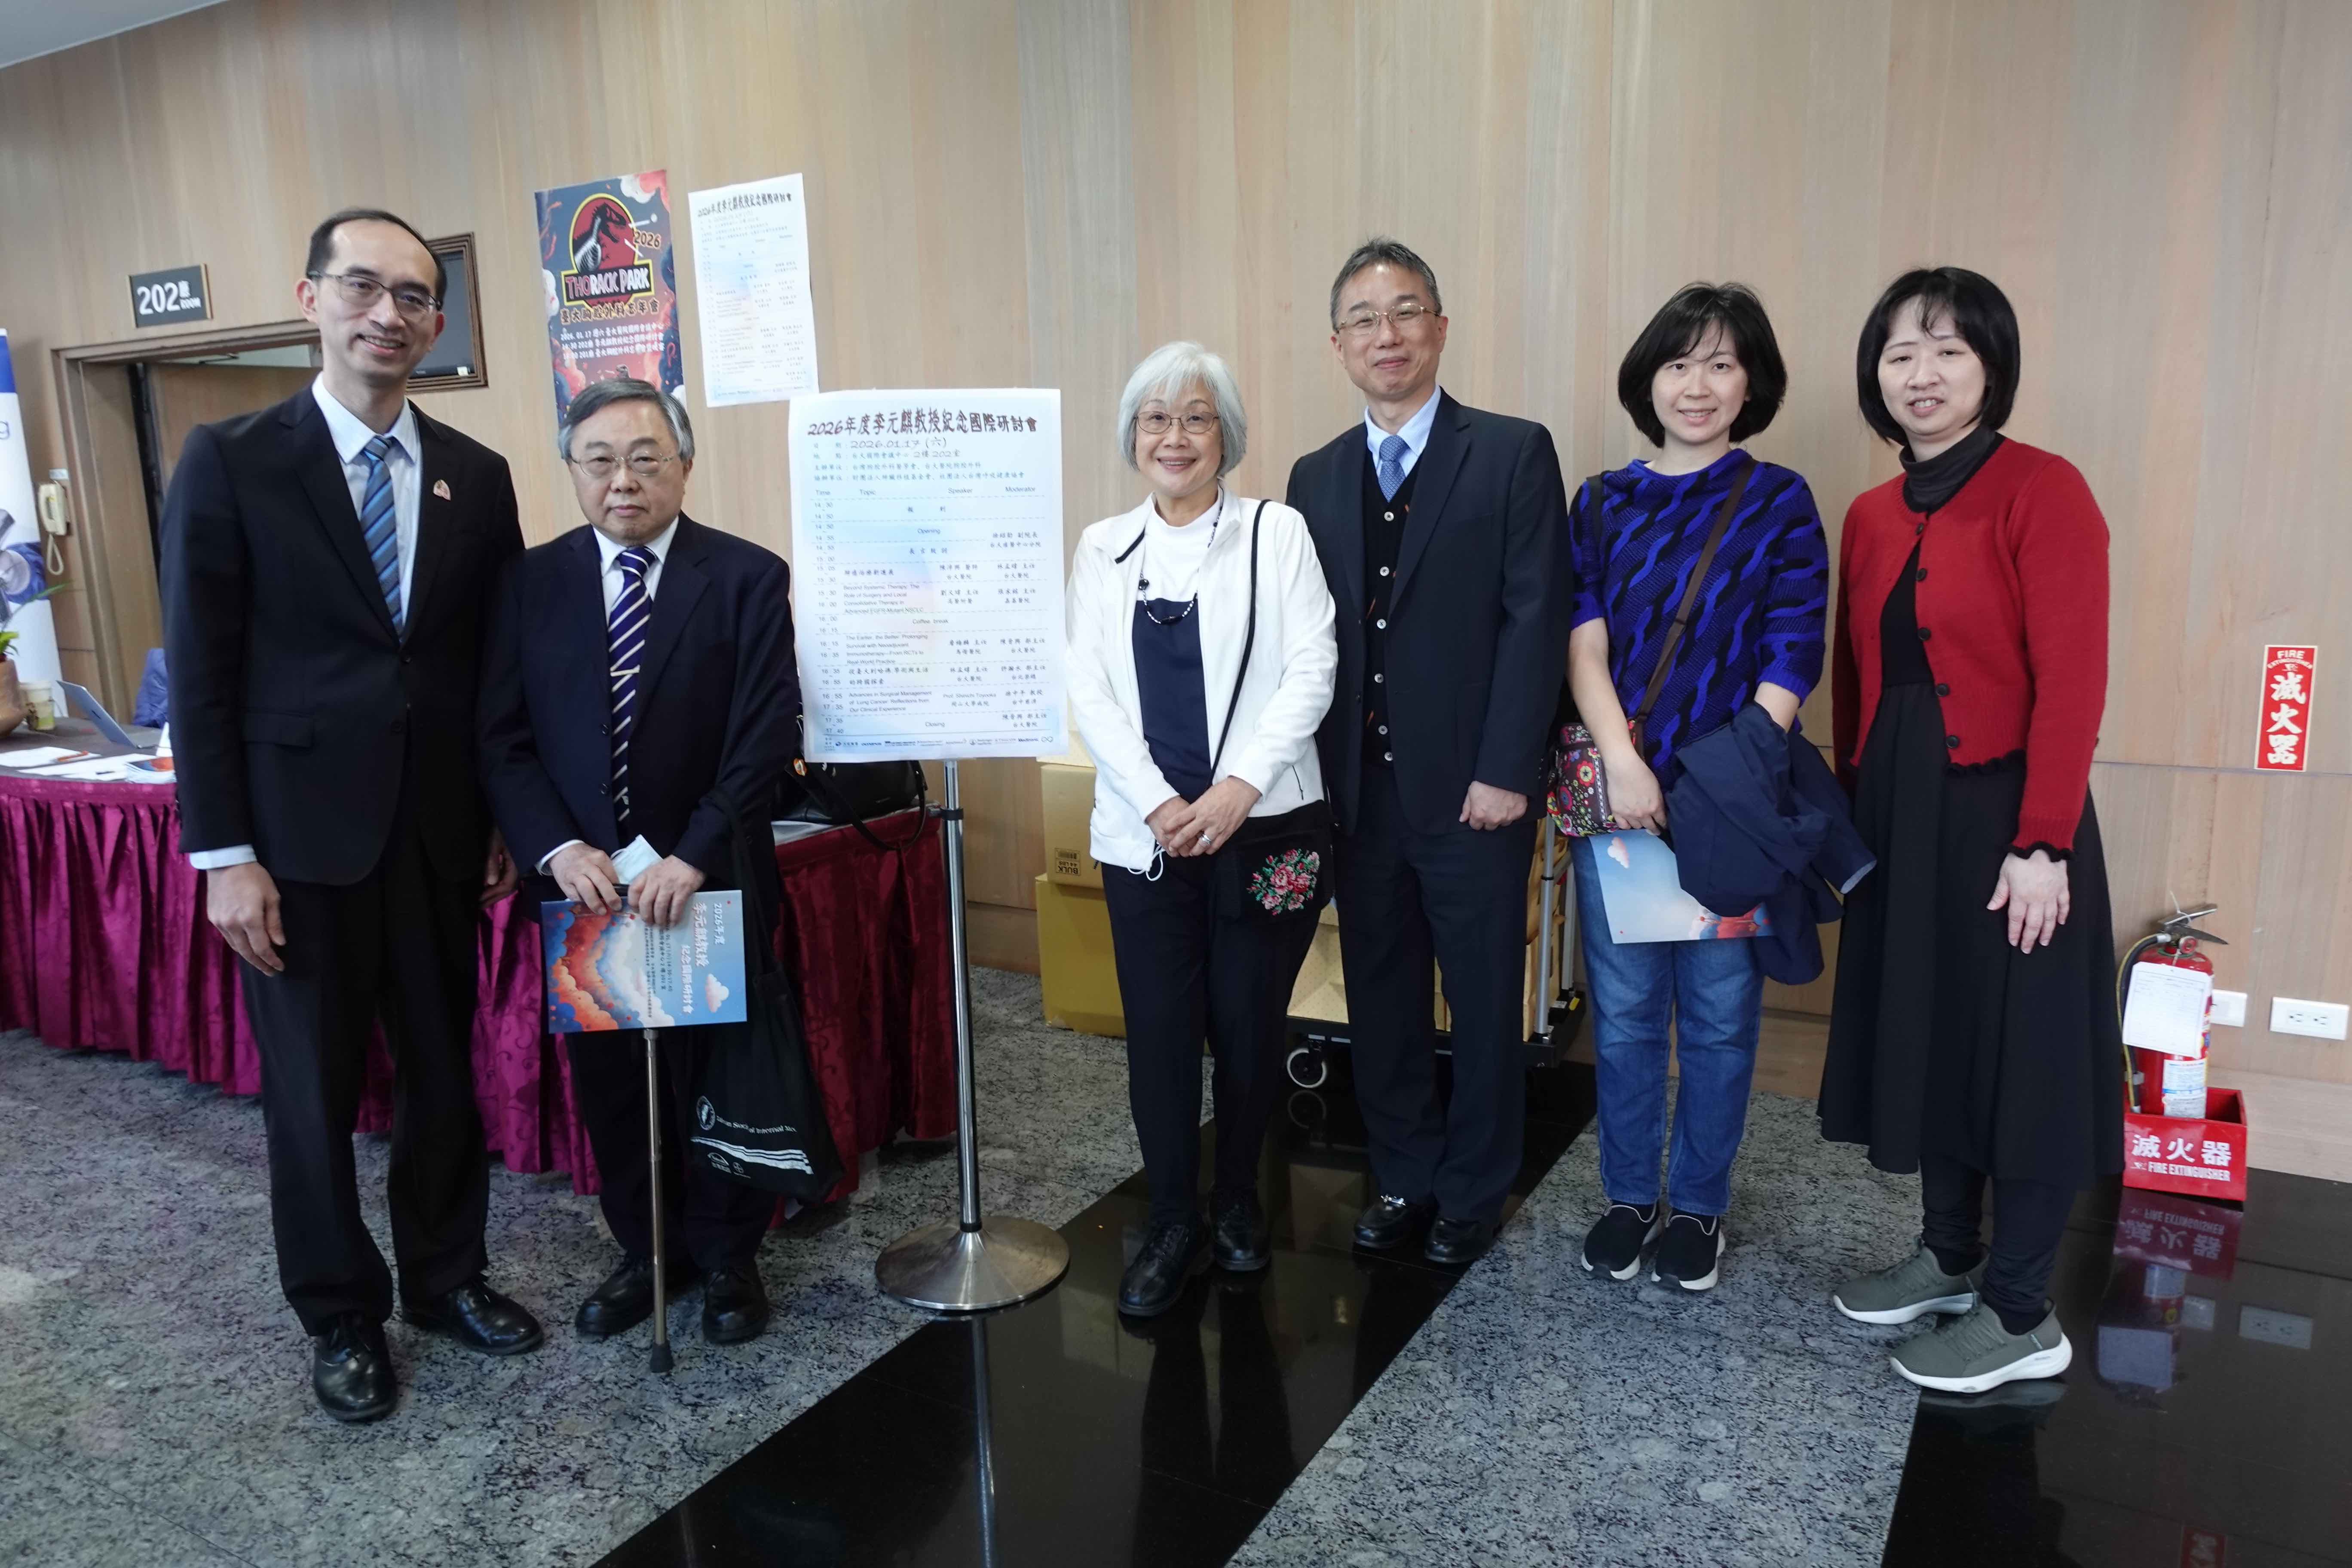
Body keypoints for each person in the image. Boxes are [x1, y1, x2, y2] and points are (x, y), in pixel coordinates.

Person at [159, 208, 539, 1423]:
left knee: (444, 1077)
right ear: (311, 298)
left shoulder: (476, 474)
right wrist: (223, 854)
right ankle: (338, 1314)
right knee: (312, 1095)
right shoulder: (232, 459)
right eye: (363, 287)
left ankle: (447, 1277)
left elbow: (493, 668)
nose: (388, 314)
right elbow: (202, 671)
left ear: (437, 321)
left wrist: (501, 815)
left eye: (414, 296)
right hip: (293, 847)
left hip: (438, 839)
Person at [1822, 267, 2123, 1393]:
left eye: (1949, 349)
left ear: (1992, 368)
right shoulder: (1870, 514)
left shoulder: (2044, 490)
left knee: (2026, 1058)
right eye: (1901, 353)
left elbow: (2073, 680)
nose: (1923, 373)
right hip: (1904, 818)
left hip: (2010, 819)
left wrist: (2044, 842)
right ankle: (1950, 1254)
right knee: (1933, 1033)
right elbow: (1859, 680)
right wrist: (1855, 824)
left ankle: (2022, 1311)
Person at [478, 377, 800, 1347]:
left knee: (717, 1071)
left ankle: (730, 1252)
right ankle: (647, 1250)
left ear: (684, 465)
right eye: (601, 460)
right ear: (574, 473)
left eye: (646, 457)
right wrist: (557, 845)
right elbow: (502, 739)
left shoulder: (745, 576)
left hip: (709, 876)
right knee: (614, 1083)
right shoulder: (530, 584)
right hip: (587, 888)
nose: (623, 479)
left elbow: (764, 734)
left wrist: (695, 852)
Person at [1286, 239, 1574, 1266]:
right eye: (1364, 319)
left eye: (1406, 311)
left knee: (1486, 999)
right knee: (1382, 995)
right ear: (1339, 345)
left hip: (1473, 794)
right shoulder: (1314, 476)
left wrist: (1507, 771)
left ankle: (1474, 1189)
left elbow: (1537, 620)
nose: (1388, 334)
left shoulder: (1511, 452)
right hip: (1357, 796)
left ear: (1440, 328)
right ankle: (1405, 1175)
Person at [1563, 283, 1828, 1292]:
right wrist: (1625, 765)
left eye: (1722, 363)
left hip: (1731, 808)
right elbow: (1584, 646)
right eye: (1680, 363)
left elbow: (1792, 652)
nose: (1699, 384)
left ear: (1751, 383)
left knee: (1718, 1019)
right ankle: (1631, 1197)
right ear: (1650, 380)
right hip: (1623, 805)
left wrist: (1726, 778)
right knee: (1627, 1016)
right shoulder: (1601, 501)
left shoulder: (1780, 500)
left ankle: (1702, 1208)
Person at [1066, 342, 1337, 1317]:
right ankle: (1175, 1218)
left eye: (1195, 417)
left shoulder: (1277, 532)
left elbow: (1313, 666)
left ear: (1227, 435)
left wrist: (1235, 791)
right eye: (1156, 419)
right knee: (1161, 1035)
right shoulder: (1102, 547)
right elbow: (1089, 690)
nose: (1174, 437)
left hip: (1266, 829)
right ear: (1132, 436)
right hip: (1145, 840)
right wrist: (1158, 803)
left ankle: (1239, 1202)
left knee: (1252, 1026)